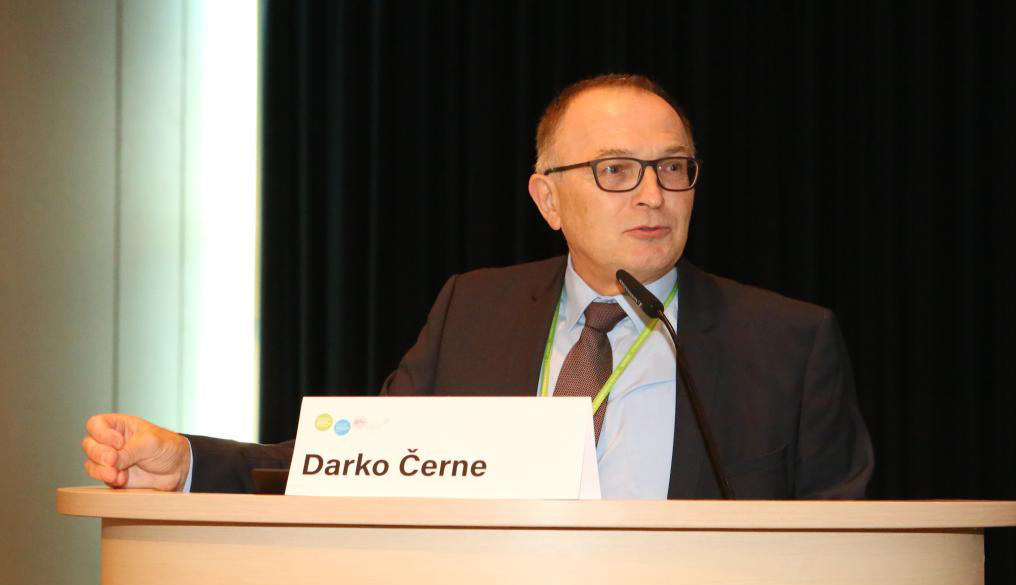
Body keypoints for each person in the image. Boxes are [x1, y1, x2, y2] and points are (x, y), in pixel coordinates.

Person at [83, 73, 873, 499]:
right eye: (614, 170)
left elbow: (844, 549)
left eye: (671, 168)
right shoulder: (473, 311)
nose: (651, 194)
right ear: (547, 199)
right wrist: (189, 463)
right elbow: (360, 465)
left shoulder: (786, 342)